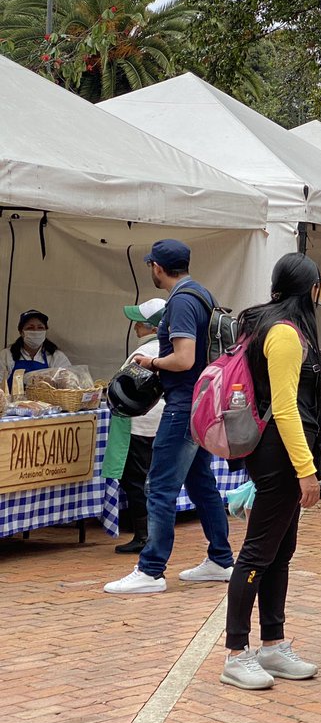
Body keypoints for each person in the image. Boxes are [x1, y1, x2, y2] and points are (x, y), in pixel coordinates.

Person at [220, 253, 321, 690]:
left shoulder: (280, 326)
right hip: (280, 455)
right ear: (311, 288)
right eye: (320, 285)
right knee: (258, 553)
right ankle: (236, 653)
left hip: (283, 452)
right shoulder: (284, 333)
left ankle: (272, 644)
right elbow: (285, 407)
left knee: (280, 551)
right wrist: (306, 470)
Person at [105, 239, 235, 595]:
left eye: (151, 266)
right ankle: (221, 560)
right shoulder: (202, 294)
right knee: (200, 483)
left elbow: (184, 359)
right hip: (202, 404)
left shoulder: (179, 303)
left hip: (182, 405)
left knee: (159, 487)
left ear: (157, 267)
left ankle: (151, 570)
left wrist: (151, 362)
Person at [111, 299, 167, 555]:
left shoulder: (144, 354)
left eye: (140, 324)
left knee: (135, 480)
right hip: (158, 424)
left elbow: (125, 388)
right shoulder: (168, 349)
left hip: (139, 425)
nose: (135, 328)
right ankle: (152, 534)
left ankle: (143, 535)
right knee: (151, 479)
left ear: (153, 327)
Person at [4, 309, 71, 390]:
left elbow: (68, 383)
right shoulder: (6, 355)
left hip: (48, 402)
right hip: (12, 402)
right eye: (30, 328)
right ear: (21, 332)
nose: (35, 331)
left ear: (45, 331)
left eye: (40, 327)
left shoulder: (56, 356)